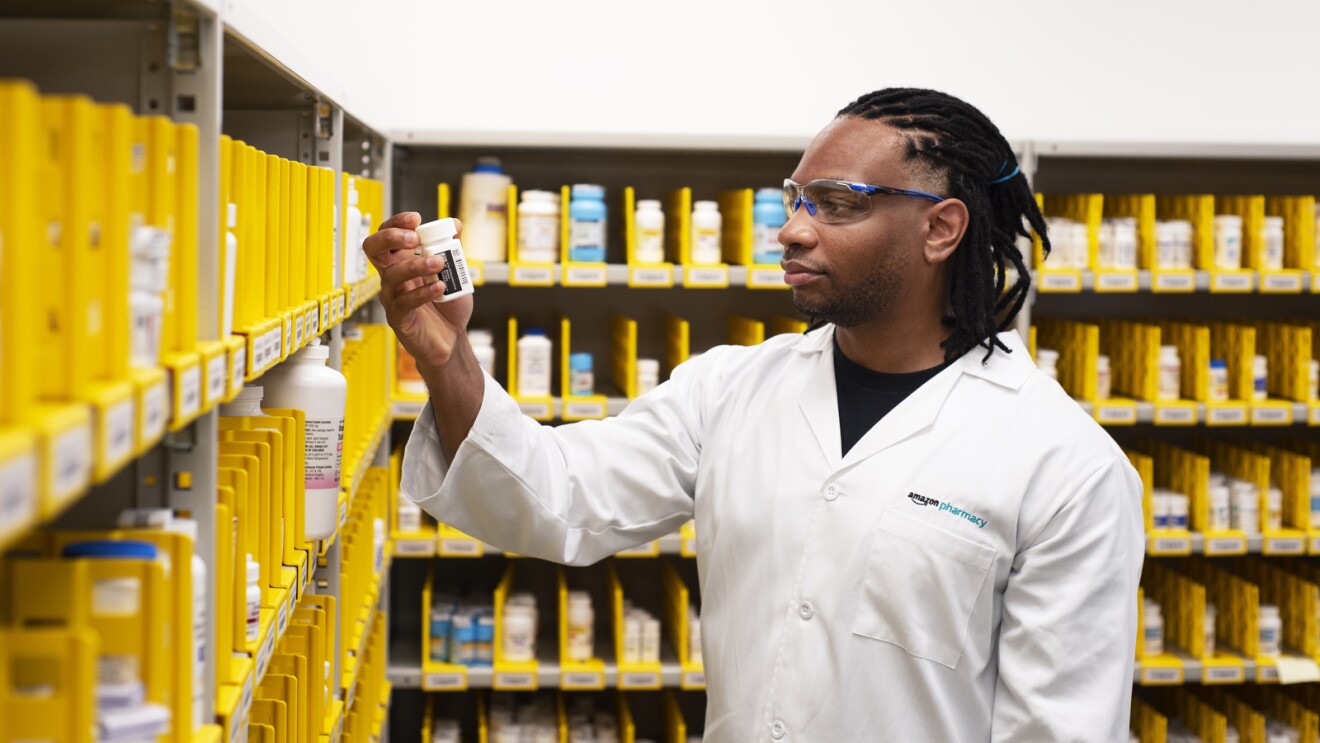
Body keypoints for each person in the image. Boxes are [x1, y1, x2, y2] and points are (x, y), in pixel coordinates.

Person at [366, 88, 1143, 742]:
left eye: (838, 204)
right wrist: (446, 355)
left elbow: (1058, 730)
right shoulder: (732, 388)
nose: (793, 228)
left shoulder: (1064, 465)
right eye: (796, 198)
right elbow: (555, 497)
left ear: (940, 228)